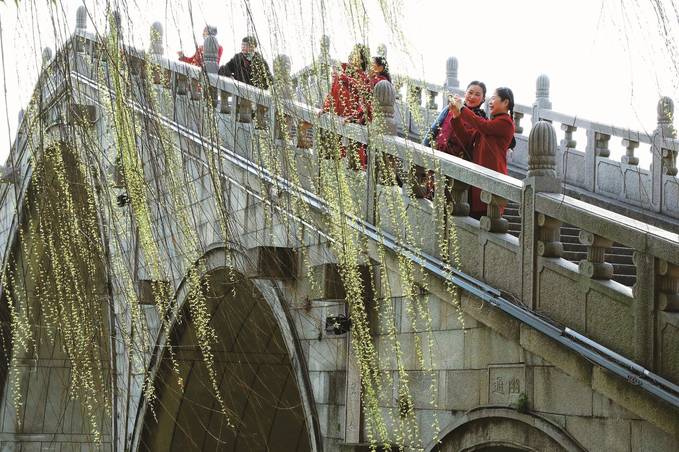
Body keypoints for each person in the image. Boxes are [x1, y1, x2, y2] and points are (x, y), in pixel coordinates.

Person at [449, 87, 516, 218]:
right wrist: (456, 116)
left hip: (492, 178)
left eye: (494, 98)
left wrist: (463, 109)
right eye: (490, 99)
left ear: (505, 102)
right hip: (480, 177)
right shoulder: (490, 123)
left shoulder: (506, 123)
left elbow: (483, 126)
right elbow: (466, 138)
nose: (490, 102)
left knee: (484, 215)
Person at [320, 44, 372, 168]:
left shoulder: (365, 80)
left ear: (361, 60)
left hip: (352, 122)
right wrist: (325, 109)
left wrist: (354, 117)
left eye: (355, 54)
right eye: (352, 52)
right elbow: (333, 94)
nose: (351, 56)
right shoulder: (342, 73)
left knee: (355, 156)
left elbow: (365, 103)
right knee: (329, 152)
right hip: (336, 118)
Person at [422, 81, 487, 153]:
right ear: (465, 93)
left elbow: (470, 144)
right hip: (437, 151)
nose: (472, 97)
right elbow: (433, 129)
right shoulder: (451, 108)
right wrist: (424, 148)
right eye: (470, 93)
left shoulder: (481, 120)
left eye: (477, 95)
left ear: (483, 99)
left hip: (458, 159)